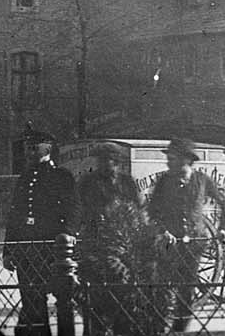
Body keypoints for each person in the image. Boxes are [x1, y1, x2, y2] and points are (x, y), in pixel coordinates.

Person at [146, 140, 225, 336]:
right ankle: (159, 326)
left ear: (187, 160)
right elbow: (152, 212)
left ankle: (180, 328)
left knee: (188, 286)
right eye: (168, 158)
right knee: (164, 284)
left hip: (196, 242)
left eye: (172, 158)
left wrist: (223, 229)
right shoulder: (164, 182)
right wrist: (162, 231)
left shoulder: (202, 180)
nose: (168, 162)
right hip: (169, 242)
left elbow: (223, 202)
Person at [3, 129, 78, 336]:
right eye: (27, 147)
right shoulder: (24, 178)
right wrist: (8, 251)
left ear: (48, 148)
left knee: (62, 297)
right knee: (30, 298)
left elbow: (72, 209)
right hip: (26, 248)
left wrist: (67, 233)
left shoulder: (62, 176)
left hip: (50, 247)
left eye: (33, 147)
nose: (28, 152)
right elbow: (14, 216)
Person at [77, 143, 151, 336]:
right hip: (94, 244)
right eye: (100, 160)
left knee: (124, 298)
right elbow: (78, 211)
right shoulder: (87, 182)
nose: (103, 165)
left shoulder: (128, 183)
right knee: (94, 299)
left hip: (123, 246)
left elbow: (140, 213)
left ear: (117, 163)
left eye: (107, 161)